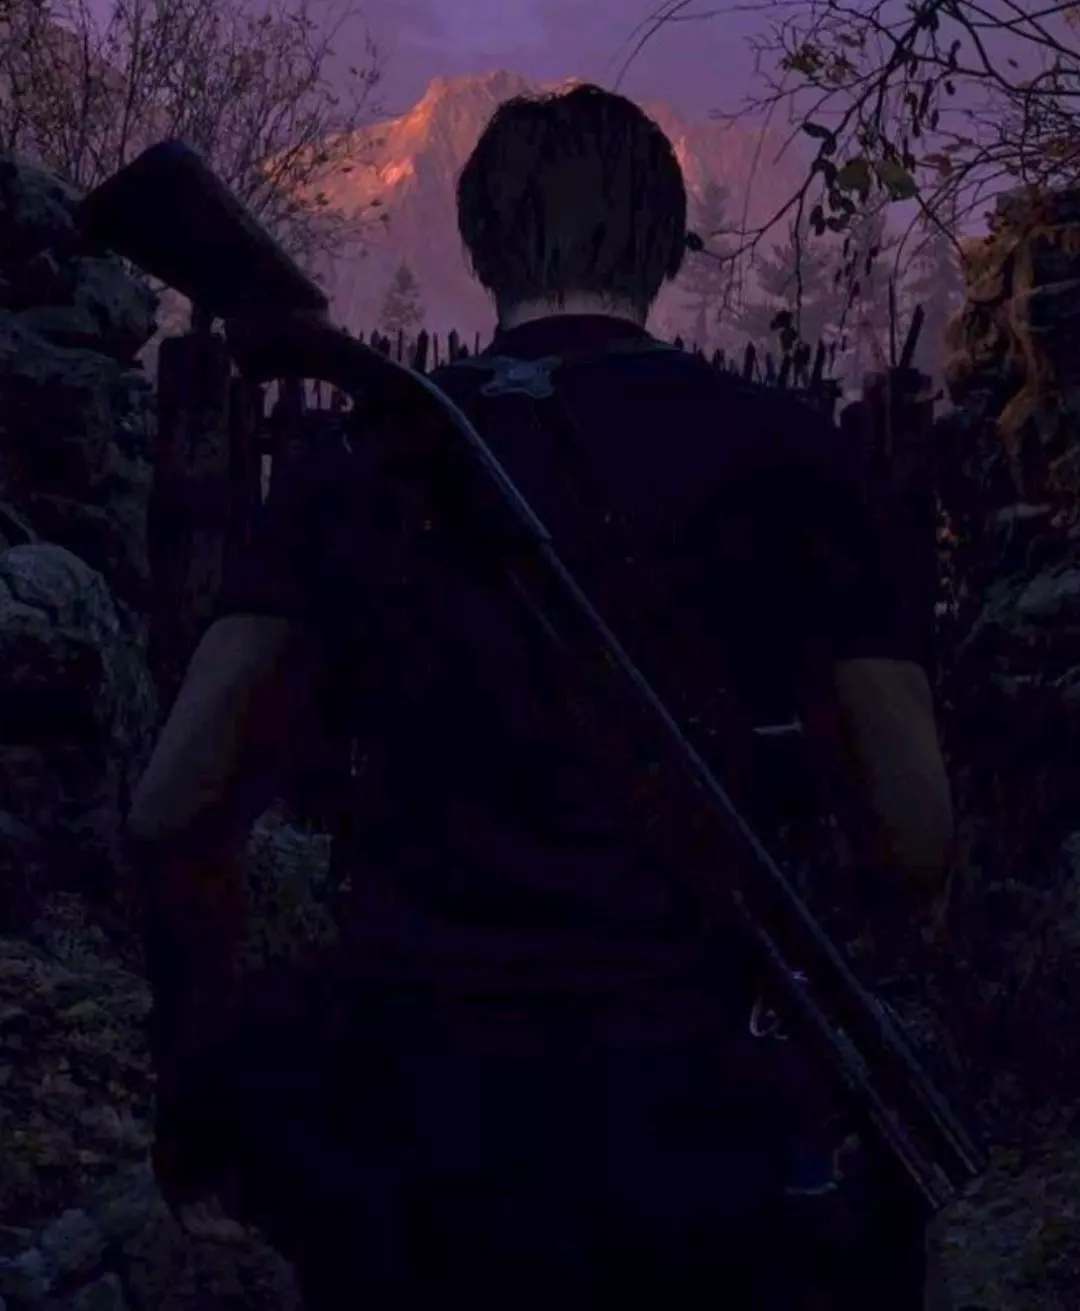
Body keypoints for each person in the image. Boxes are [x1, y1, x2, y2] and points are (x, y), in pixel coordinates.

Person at [127, 82, 955, 1309]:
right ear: (667, 244)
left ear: (480, 240)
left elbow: (175, 811)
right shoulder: (791, 453)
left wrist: (205, 1065)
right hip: (696, 1122)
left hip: (408, 1128)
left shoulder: (358, 457)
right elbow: (915, 835)